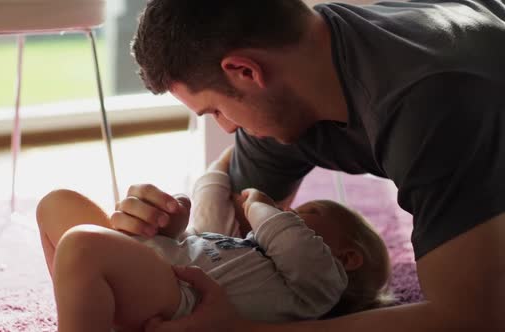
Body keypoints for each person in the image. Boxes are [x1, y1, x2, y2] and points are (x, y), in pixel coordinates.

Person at [123, 0, 505, 331]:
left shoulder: (429, 104)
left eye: (217, 111)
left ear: (245, 71)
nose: (227, 127)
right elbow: (233, 243)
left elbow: (473, 317)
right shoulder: (295, 84)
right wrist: (157, 232)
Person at [35, 148, 392, 332]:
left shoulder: (319, 286)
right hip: (156, 268)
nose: (292, 213)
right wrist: (174, 224)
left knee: (81, 245)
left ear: (348, 258)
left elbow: (292, 241)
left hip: (181, 299)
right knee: (57, 204)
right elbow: (209, 198)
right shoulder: (251, 247)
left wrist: (260, 206)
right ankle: (90, 311)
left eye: (309, 212)